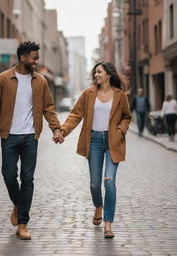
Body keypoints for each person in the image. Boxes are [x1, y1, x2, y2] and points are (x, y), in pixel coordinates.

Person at [0, 41, 63, 240]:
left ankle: (22, 223)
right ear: (23, 58)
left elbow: (48, 107)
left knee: (27, 179)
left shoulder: (40, 81)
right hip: (9, 136)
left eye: (37, 57)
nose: (37, 61)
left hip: (30, 136)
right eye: (34, 58)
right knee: (9, 174)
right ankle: (19, 205)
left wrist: (56, 128)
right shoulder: (3, 79)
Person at [56, 62, 132, 238]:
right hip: (94, 141)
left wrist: (120, 131)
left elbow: (126, 117)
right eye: (95, 72)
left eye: (99, 72)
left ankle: (108, 224)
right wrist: (63, 131)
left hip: (113, 141)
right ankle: (98, 206)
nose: (96, 75)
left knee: (109, 181)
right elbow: (75, 115)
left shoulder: (120, 95)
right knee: (94, 184)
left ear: (108, 75)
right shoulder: (89, 94)